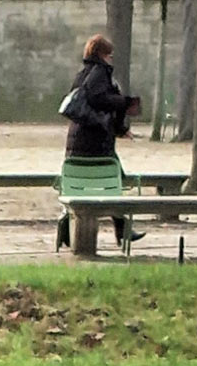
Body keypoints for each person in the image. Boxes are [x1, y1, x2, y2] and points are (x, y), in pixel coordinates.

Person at [58, 33, 144, 248]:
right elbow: (99, 100)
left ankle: (67, 229)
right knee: (114, 180)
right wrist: (123, 102)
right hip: (95, 144)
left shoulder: (82, 74)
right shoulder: (99, 73)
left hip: (77, 143)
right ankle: (122, 229)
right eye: (110, 55)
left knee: (76, 187)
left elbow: (90, 105)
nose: (111, 59)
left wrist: (121, 129)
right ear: (102, 54)